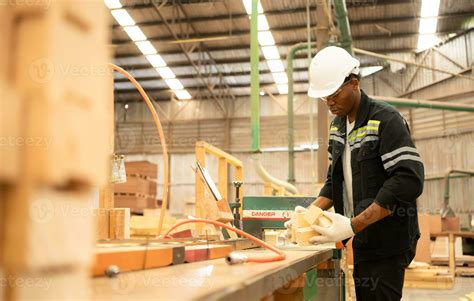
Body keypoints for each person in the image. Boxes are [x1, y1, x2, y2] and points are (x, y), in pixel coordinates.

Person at [287, 46, 425, 301]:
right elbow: (333, 181)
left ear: (354, 83)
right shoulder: (337, 128)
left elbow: (408, 180)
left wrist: (353, 224)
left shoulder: (385, 120)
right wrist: (309, 214)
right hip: (362, 238)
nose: (329, 102)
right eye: (324, 97)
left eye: (334, 94)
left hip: (388, 241)